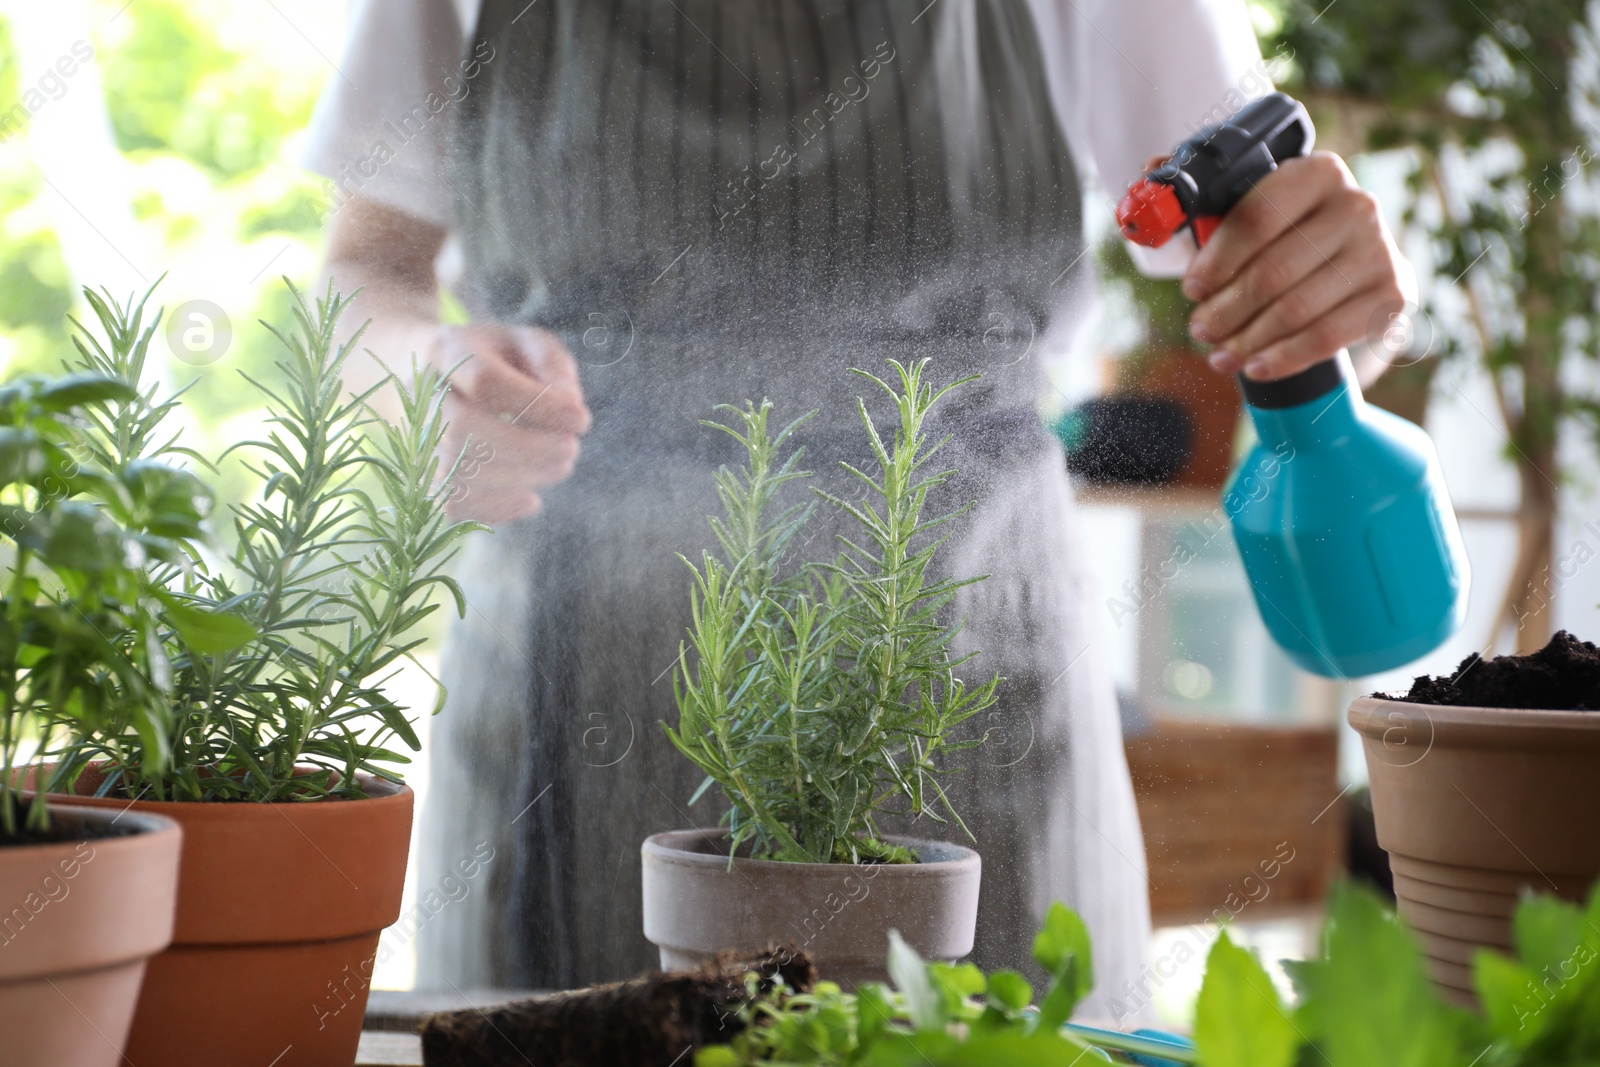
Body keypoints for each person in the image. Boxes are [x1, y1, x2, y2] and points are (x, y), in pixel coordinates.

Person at [306, 0, 1413, 1020]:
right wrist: (416, 381)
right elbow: (367, 265)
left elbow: (1263, 232)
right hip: (565, 711)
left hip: (977, 704)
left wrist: (1329, 287)